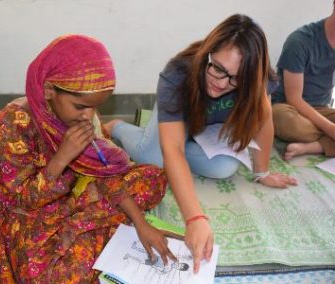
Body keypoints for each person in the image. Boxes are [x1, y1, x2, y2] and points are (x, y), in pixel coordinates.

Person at [105, 14, 298, 272]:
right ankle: (118, 126)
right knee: (156, 159)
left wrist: (261, 171)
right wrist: (195, 218)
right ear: (208, 52)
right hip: (177, 118)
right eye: (217, 68)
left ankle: (168, 141)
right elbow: (173, 149)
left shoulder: (257, 80)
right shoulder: (178, 73)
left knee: (224, 169)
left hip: (205, 128)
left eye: (235, 78)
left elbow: (264, 120)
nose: (220, 83)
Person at [0, 34, 176, 283]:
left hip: (78, 195)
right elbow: (21, 198)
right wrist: (63, 157)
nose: (88, 117)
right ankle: (88, 230)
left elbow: (104, 174)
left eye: (94, 107)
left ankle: (83, 229)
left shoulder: (82, 117)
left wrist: (141, 224)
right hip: (32, 211)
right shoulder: (11, 124)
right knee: (48, 276)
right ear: (48, 91)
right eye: (80, 107)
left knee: (153, 177)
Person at [272, 1, 335, 160]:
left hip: (321, 108)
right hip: (288, 107)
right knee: (286, 121)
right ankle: (327, 141)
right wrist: (330, 129)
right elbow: (294, 99)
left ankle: (315, 147)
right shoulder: (300, 41)